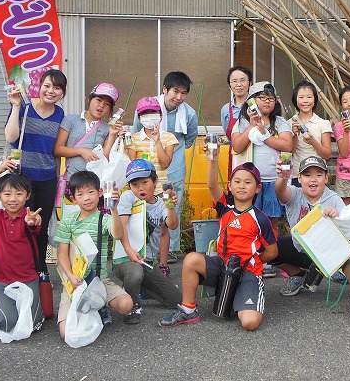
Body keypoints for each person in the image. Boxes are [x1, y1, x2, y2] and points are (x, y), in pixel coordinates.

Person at [158, 148, 278, 331]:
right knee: (191, 259)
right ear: (230, 185)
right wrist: (213, 159)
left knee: (250, 323)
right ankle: (188, 310)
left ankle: (240, 294)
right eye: (237, 182)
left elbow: (272, 251)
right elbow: (212, 185)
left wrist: (252, 262)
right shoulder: (225, 207)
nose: (242, 186)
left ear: (258, 188)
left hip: (248, 272)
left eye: (248, 182)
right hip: (222, 265)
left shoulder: (260, 218)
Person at [273, 156, 350, 320]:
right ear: (299, 178)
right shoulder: (295, 194)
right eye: (307, 175)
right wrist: (282, 178)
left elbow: (348, 228)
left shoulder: (334, 198)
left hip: (327, 254)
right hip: (303, 251)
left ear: (326, 178)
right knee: (269, 247)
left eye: (319, 175)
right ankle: (297, 275)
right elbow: (281, 192)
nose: (313, 179)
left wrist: (336, 216)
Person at [53, 170, 132, 340]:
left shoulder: (104, 218)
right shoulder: (68, 221)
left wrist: (114, 210)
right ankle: (91, 307)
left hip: (99, 280)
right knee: (66, 333)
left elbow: (118, 234)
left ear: (100, 193)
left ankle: (98, 305)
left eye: (91, 192)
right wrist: (71, 276)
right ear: (73, 199)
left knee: (126, 305)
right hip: (75, 281)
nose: (87, 197)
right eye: (80, 194)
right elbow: (62, 255)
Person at [0, 159, 45, 334]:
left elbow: (33, 225)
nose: (13, 199)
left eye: (19, 194)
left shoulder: (30, 216)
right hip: (1, 280)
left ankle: (37, 313)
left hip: (28, 278)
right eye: (7, 194)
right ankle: (3, 302)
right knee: (6, 324)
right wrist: (0, 170)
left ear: (27, 196)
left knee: (32, 326)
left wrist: (32, 221)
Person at [4, 68, 67, 273]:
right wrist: (15, 107)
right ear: (39, 86)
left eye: (57, 88)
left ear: (62, 93)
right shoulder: (24, 107)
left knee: (42, 225)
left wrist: (58, 177)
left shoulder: (60, 114)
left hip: (47, 178)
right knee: (22, 224)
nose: (51, 91)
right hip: (22, 177)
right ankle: (22, 267)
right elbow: (10, 137)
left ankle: (40, 269)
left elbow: (56, 150)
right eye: (47, 85)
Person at [134, 72, 198, 261]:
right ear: (164, 90)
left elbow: (190, 138)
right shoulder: (148, 107)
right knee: (145, 203)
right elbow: (136, 132)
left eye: (184, 93)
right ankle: (143, 246)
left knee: (171, 204)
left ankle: (170, 248)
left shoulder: (190, 113)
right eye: (175, 91)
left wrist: (174, 149)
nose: (179, 97)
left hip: (175, 162)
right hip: (147, 161)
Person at [231, 81, 291, 278]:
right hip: (250, 182)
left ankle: (267, 259)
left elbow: (287, 145)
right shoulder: (242, 121)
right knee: (249, 220)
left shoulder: (279, 122)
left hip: (273, 180)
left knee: (271, 221)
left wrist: (264, 133)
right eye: (262, 97)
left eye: (270, 98)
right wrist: (252, 125)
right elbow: (237, 146)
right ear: (252, 101)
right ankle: (250, 255)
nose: (266, 102)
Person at [114, 159, 183, 323]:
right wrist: (129, 250)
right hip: (125, 260)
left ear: (155, 181)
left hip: (147, 262)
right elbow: (121, 227)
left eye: (145, 182)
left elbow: (172, 225)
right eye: (135, 184)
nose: (140, 188)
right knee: (135, 272)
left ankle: (137, 287)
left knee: (176, 300)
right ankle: (133, 305)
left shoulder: (160, 204)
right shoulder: (127, 198)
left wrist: (171, 207)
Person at [53, 83, 122, 180]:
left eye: (107, 104)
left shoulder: (107, 128)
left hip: (93, 184)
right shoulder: (70, 120)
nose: (102, 105)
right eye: (98, 100)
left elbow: (105, 158)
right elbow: (57, 150)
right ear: (89, 99)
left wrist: (112, 134)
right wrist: (81, 151)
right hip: (70, 181)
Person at [126, 96, 178, 196]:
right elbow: (131, 166)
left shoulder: (168, 137)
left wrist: (157, 141)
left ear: (161, 115)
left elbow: (165, 164)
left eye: (153, 112)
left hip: (161, 192)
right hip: (139, 193)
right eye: (145, 113)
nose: (149, 116)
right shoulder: (133, 139)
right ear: (139, 118)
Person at [288, 80, 332, 186]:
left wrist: (313, 142)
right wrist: (294, 135)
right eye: (301, 97)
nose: (305, 101)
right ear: (295, 99)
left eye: (309, 97)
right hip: (297, 175)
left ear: (315, 99)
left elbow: (327, 154)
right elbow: (289, 153)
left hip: (318, 175)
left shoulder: (323, 123)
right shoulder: (289, 123)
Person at [220, 66, 252, 174]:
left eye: (243, 80)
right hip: (235, 156)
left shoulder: (257, 106)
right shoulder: (225, 110)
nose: (239, 84)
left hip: (255, 154)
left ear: (250, 83)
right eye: (234, 81)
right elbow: (228, 135)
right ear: (230, 86)